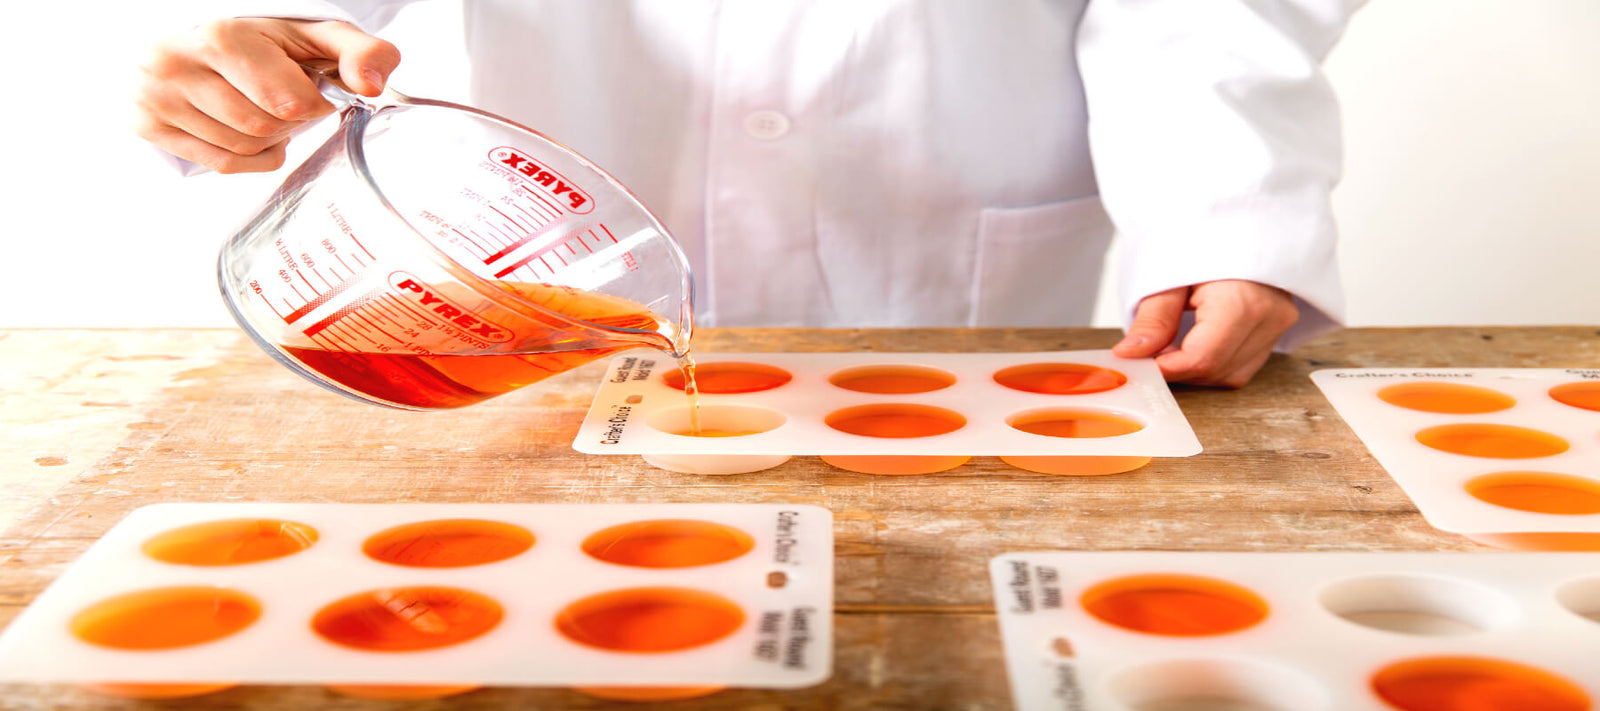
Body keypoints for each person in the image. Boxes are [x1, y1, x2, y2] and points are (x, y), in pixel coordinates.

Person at [133, 0, 1364, 388]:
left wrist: (1224, 201)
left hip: (967, 306)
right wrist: (235, 58)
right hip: (563, 317)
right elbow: (267, 26)